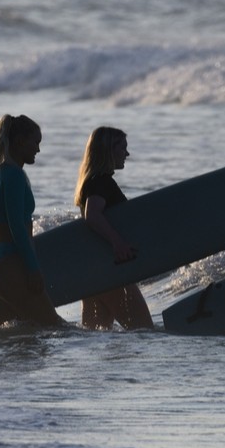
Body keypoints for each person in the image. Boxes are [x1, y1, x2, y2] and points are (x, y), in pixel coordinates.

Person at [0, 113, 65, 326]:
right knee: (54, 326)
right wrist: (32, 267)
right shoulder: (14, 175)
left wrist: (1, 258)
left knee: (14, 343)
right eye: (35, 142)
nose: (38, 149)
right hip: (9, 264)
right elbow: (17, 225)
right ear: (19, 141)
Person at [74, 126, 151, 330]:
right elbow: (92, 215)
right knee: (144, 331)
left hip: (94, 271)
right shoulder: (101, 182)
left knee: (97, 338)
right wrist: (118, 242)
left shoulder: (90, 181)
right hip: (111, 272)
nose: (127, 153)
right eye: (122, 148)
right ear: (108, 150)